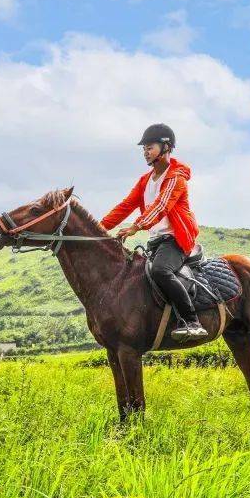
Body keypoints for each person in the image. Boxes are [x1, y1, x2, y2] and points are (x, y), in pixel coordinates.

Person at [100, 124, 208, 342]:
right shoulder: (144, 181)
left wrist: (135, 227)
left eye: (150, 147)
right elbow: (125, 206)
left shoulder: (176, 177)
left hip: (176, 240)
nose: (145, 152)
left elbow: (161, 206)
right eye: (144, 149)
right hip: (155, 242)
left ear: (166, 147)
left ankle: (192, 321)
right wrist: (100, 228)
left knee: (160, 271)